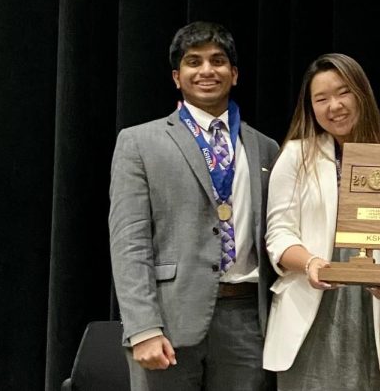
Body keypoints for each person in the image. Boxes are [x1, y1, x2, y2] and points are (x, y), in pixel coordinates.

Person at [109, 21, 279, 391]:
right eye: (193, 61)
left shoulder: (266, 148)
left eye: (218, 61)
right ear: (176, 76)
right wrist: (143, 327)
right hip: (168, 319)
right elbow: (129, 242)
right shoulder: (139, 142)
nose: (206, 71)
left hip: (247, 320)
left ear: (233, 74)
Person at [262, 53, 380, 390]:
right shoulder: (295, 155)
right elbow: (278, 234)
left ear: (362, 94)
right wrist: (310, 263)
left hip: (373, 309)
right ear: (311, 107)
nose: (334, 105)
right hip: (311, 304)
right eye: (322, 99)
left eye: (343, 92)